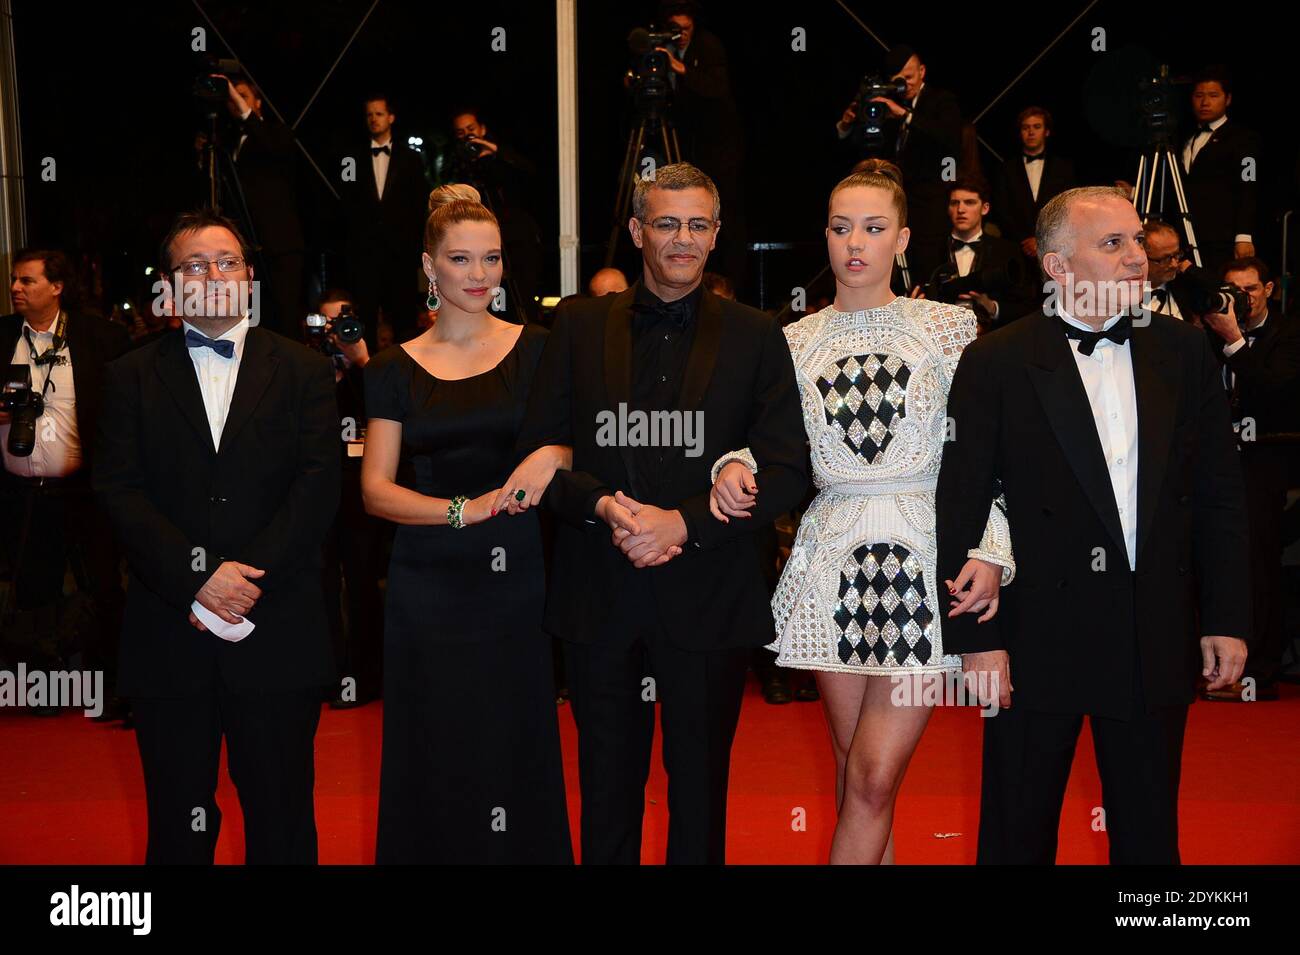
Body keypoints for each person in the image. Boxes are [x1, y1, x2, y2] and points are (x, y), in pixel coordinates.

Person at [707, 160, 1013, 863]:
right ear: (825, 234)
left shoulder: (947, 328)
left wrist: (992, 548)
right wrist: (731, 463)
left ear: (902, 239)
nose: (855, 243)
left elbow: (983, 457)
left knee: (874, 776)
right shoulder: (793, 339)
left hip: (923, 560)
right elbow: (772, 446)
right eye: (842, 227)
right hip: (831, 558)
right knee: (857, 780)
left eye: (873, 228)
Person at [936, 186, 1251, 864]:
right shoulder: (996, 360)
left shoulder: (1184, 353)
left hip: (1152, 633)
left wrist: (1225, 615)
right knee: (1016, 836)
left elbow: (1219, 494)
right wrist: (977, 640)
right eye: (1113, 245)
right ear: (1058, 268)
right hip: (1032, 639)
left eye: (1137, 241)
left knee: (1147, 838)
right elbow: (960, 503)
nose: (1137, 257)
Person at [517, 162, 808, 864]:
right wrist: (603, 506)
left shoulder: (757, 333)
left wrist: (684, 523)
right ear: (636, 229)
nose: (683, 238)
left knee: (700, 797)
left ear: (715, 235)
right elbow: (539, 455)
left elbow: (789, 468)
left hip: (707, 596)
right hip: (599, 589)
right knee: (606, 792)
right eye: (667, 223)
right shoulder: (578, 325)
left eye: (698, 224)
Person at [95, 210, 341, 864]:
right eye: (195, 265)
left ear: (249, 277)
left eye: (227, 260)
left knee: (283, 819)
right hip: (170, 632)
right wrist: (197, 579)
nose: (214, 274)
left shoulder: (304, 371)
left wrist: (242, 578)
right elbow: (119, 490)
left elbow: (318, 487)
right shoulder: (128, 376)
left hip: (277, 626)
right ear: (170, 290)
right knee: (179, 823)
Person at [361, 184, 572, 864]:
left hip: (516, 578)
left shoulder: (539, 349)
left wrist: (552, 455)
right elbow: (374, 490)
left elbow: (571, 447)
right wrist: (465, 508)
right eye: (461, 259)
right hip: (425, 583)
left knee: (514, 735)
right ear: (429, 267)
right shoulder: (393, 367)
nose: (480, 275)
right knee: (433, 739)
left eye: (492, 259)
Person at [1, 250, 130, 718]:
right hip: (20, 494)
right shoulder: (0, 337)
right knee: (35, 591)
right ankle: (44, 690)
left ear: (57, 287)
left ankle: (113, 686)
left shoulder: (102, 338)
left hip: (86, 492)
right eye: (14, 280)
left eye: (27, 281)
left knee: (102, 587)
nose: (16, 288)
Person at [1203, 258, 1300, 700]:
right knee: (1207, 561)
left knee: (1258, 565)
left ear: (1268, 290)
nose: (1241, 298)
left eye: (1249, 289)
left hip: (1266, 464)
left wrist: (1236, 341)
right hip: (1211, 465)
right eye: (1232, 289)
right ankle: (1206, 665)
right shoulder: (1203, 330)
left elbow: (1275, 391)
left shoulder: (1289, 334)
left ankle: (1258, 670)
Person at [309, 289, 386, 708]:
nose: (338, 331)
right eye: (329, 323)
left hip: (361, 491)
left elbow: (388, 412)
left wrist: (361, 361)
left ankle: (367, 676)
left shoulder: (374, 367)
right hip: (319, 492)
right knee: (320, 584)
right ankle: (331, 674)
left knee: (361, 583)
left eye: (344, 321)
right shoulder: (307, 370)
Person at [836, 44, 962, 288]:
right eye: (898, 79)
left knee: (927, 269)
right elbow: (866, 149)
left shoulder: (941, 100)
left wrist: (904, 115)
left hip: (930, 206)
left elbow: (949, 139)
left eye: (909, 77)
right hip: (893, 202)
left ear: (922, 71)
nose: (904, 84)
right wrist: (848, 123)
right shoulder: (885, 104)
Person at [216, 75, 307, 336]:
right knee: (255, 315)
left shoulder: (276, 133)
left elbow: (275, 151)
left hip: (280, 244)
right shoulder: (228, 141)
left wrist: (234, 95)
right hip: (248, 244)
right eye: (232, 97)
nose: (235, 101)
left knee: (285, 315)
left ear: (257, 102)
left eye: (243, 96)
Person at [339, 95, 429, 347]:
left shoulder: (410, 158)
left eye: (378, 113)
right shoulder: (352, 158)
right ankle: (364, 372)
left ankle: (409, 373)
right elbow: (346, 202)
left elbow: (419, 203)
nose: (373, 119)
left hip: (400, 251)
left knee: (404, 316)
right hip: (364, 252)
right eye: (369, 114)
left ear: (391, 117)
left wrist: (414, 245)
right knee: (365, 315)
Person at [444, 108, 543, 322]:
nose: (468, 136)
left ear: (482, 129)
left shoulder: (501, 157)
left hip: (516, 240)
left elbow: (530, 173)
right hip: (481, 243)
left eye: (471, 129)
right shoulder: (459, 165)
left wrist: (495, 153)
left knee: (523, 296)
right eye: (461, 132)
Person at [921, 178, 1036, 328]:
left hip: (991, 342)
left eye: (969, 202)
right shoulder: (929, 251)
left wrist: (992, 307)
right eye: (955, 203)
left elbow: (1026, 307)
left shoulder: (1007, 251)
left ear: (985, 208)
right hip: (938, 336)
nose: (961, 209)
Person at [1181, 66, 1261, 278]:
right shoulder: (1182, 137)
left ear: (1227, 99)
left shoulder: (1244, 139)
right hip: (1185, 235)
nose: (1205, 102)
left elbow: (1248, 187)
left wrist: (1243, 235)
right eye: (1199, 95)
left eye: (1213, 95)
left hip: (1222, 237)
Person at [992, 107, 1076, 261]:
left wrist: (1041, 240)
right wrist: (1024, 240)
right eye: (1026, 128)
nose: (1031, 132)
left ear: (1047, 131)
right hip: (1015, 249)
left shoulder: (1063, 168)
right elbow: (1000, 209)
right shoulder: (1005, 169)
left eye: (1037, 127)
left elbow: (1068, 208)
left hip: (1054, 248)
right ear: (1020, 133)